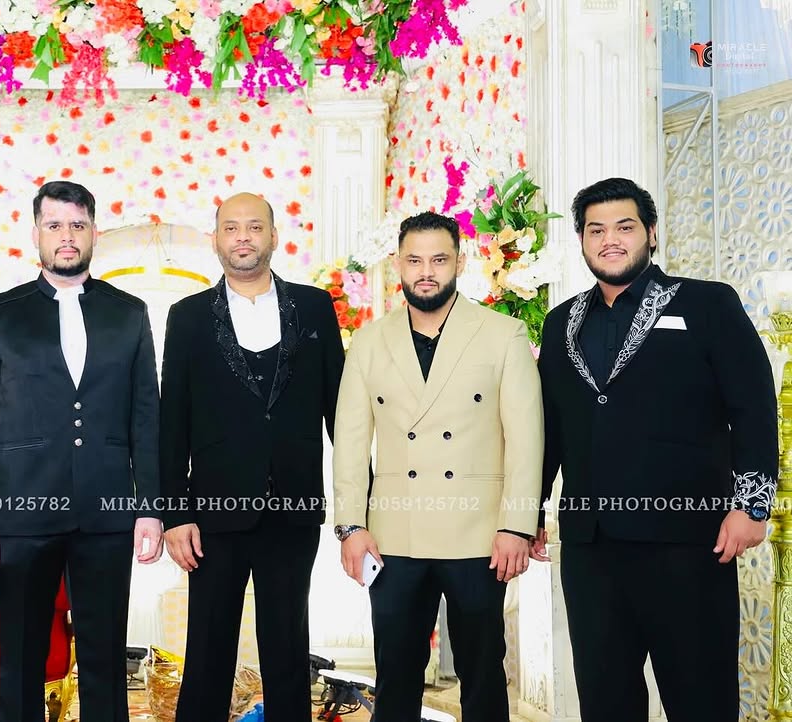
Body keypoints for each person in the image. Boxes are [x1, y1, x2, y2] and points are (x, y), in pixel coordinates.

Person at [534, 177, 778, 721]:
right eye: (596, 230)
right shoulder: (560, 323)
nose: (610, 240)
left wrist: (752, 505)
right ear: (582, 240)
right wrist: (528, 513)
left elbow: (754, 407)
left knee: (701, 699)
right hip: (592, 548)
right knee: (605, 702)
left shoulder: (707, 304)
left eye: (624, 227)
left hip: (687, 541)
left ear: (650, 232)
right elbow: (549, 427)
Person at [0, 180, 163, 722]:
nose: (67, 236)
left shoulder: (129, 312)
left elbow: (146, 414)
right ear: (36, 234)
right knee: (20, 658)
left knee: (104, 658)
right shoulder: (0, 313)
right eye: (54, 225)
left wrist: (150, 506)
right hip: (21, 511)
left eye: (77, 224)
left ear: (94, 231)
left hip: (107, 511)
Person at [332, 211, 542, 722]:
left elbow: (525, 438)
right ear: (397, 265)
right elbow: (351, 443)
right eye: (414, 260)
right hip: (394, 535)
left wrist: (517, 524)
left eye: (439, 260)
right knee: (396, 675)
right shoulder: (369, 341)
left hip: (479, 533)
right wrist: (350, 526)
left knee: (482, 672)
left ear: (460, 263)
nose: (426, 271)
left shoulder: (503, 334)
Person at [160, 192, 345, 722]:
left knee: (287, 647)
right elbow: (172, 421)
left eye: (255, 226)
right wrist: (175, 513)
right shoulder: (187, 317)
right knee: (207, 649)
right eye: (231, 227)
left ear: (274, 236)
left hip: (293, 507)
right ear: (216, 239)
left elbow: (342, 414)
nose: (243, 236)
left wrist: (359, 508)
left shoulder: (314, 307)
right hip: (213, 513)